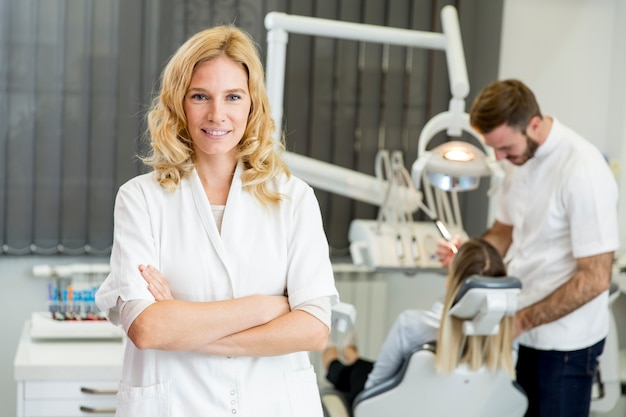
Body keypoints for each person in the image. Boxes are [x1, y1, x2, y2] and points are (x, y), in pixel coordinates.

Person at [95, 25, 339, 417]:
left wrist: (183, 324)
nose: (217, 114)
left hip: (273, 405)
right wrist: (266, 307)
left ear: (252, 104)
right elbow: (148, 329)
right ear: (179, 103)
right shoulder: (141, 199)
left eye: (233, 97)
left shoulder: (294, 199)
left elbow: (312, 328)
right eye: (200, 96)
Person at [437, 79, 619, 417]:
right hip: (522, 331)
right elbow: (505, 231)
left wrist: (522, 321)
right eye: (493, 149)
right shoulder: (517, 163)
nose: (499, 157)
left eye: (505, 149)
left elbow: (596, 278)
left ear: (533, 124)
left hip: (565, 345)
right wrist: (470, 254)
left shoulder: (583, 171)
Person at [322, 238, 515, 407]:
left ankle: (334, 357)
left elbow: (374, 388)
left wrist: (459, 268)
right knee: (362, 367)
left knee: (354, 372)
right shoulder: (508, 345)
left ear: (450, 281)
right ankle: (352, 354)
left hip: (391, 406)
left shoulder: (412, 325)